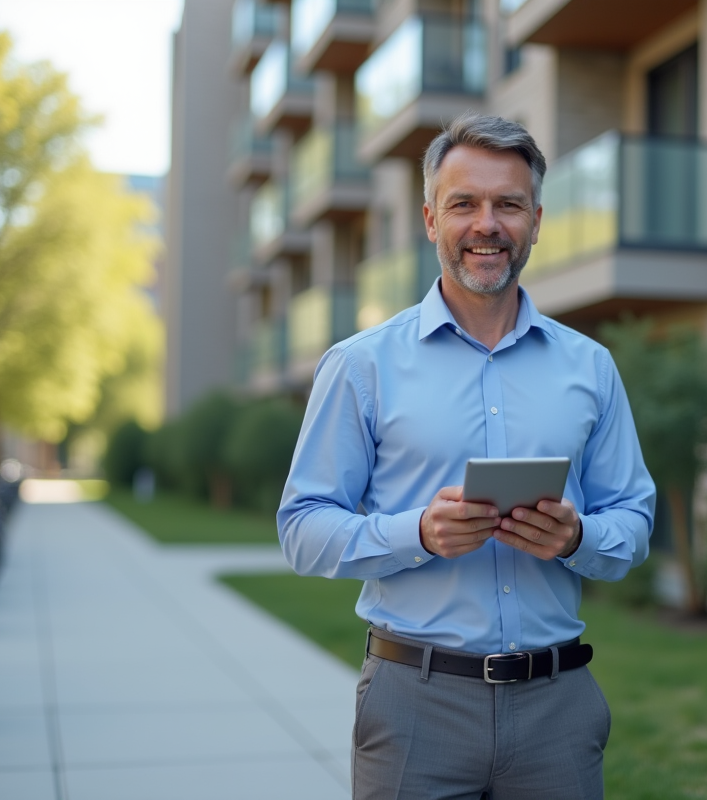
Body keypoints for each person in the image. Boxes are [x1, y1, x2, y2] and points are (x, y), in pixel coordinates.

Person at [278, 112, 655, 799]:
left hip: (557, 710)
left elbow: (633, 519)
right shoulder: (361, 365)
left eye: (508, 204)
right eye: (465, 204)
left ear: (536, 220)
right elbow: (302, 529)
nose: (488, 223)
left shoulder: (590, 367)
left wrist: (578, 536)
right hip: (415, 707)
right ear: (430, 219)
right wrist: (416, 533)